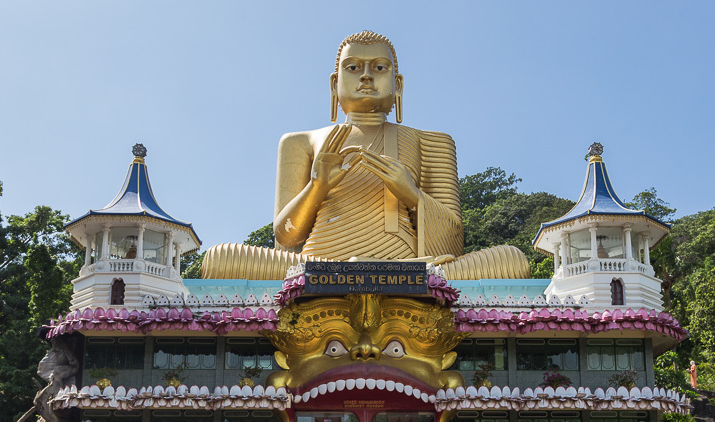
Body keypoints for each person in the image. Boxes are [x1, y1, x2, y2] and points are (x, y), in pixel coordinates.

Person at [200, 30, 528, 281]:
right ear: (335, 84)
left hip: (407, 269)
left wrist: (411, 195)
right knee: (218, 259)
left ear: (397, 86)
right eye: (354, 67)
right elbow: (286, 238)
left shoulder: (432, 141)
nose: (367, 76)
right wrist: (317, 186)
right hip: (317, 267)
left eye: (379, 68)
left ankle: (394, 278)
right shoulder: (301, 142)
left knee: (512, 260)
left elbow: (452, 244)